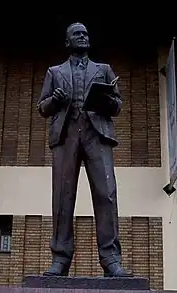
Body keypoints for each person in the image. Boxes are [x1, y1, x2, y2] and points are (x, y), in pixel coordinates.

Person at [37, 22, 129, 277]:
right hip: (66, 136)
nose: (83, 36)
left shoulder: (104, 69)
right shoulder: (54, 72)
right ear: (68, 42)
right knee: (63, 197)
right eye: (77, 34)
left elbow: (117, 106)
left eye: (86, 33)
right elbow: (42, 108)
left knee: (106, 194)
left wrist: (108, 99)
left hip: (97, 135)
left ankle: (111, 259)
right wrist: (55, 100)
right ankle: (60, 258)